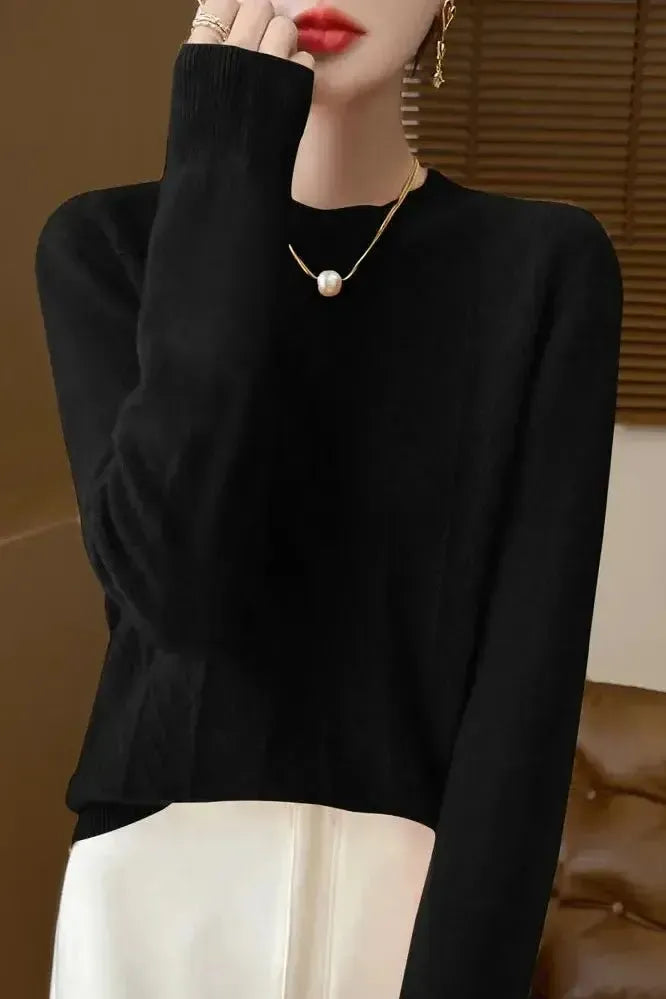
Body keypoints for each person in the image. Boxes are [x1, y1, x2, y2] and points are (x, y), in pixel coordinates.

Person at [35, 1, 623, 997]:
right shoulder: (105, 246)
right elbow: (176, 594)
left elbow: (524, 708)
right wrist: (224, 155)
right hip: (151, 903)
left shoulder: (545, 268)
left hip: (412, 910)